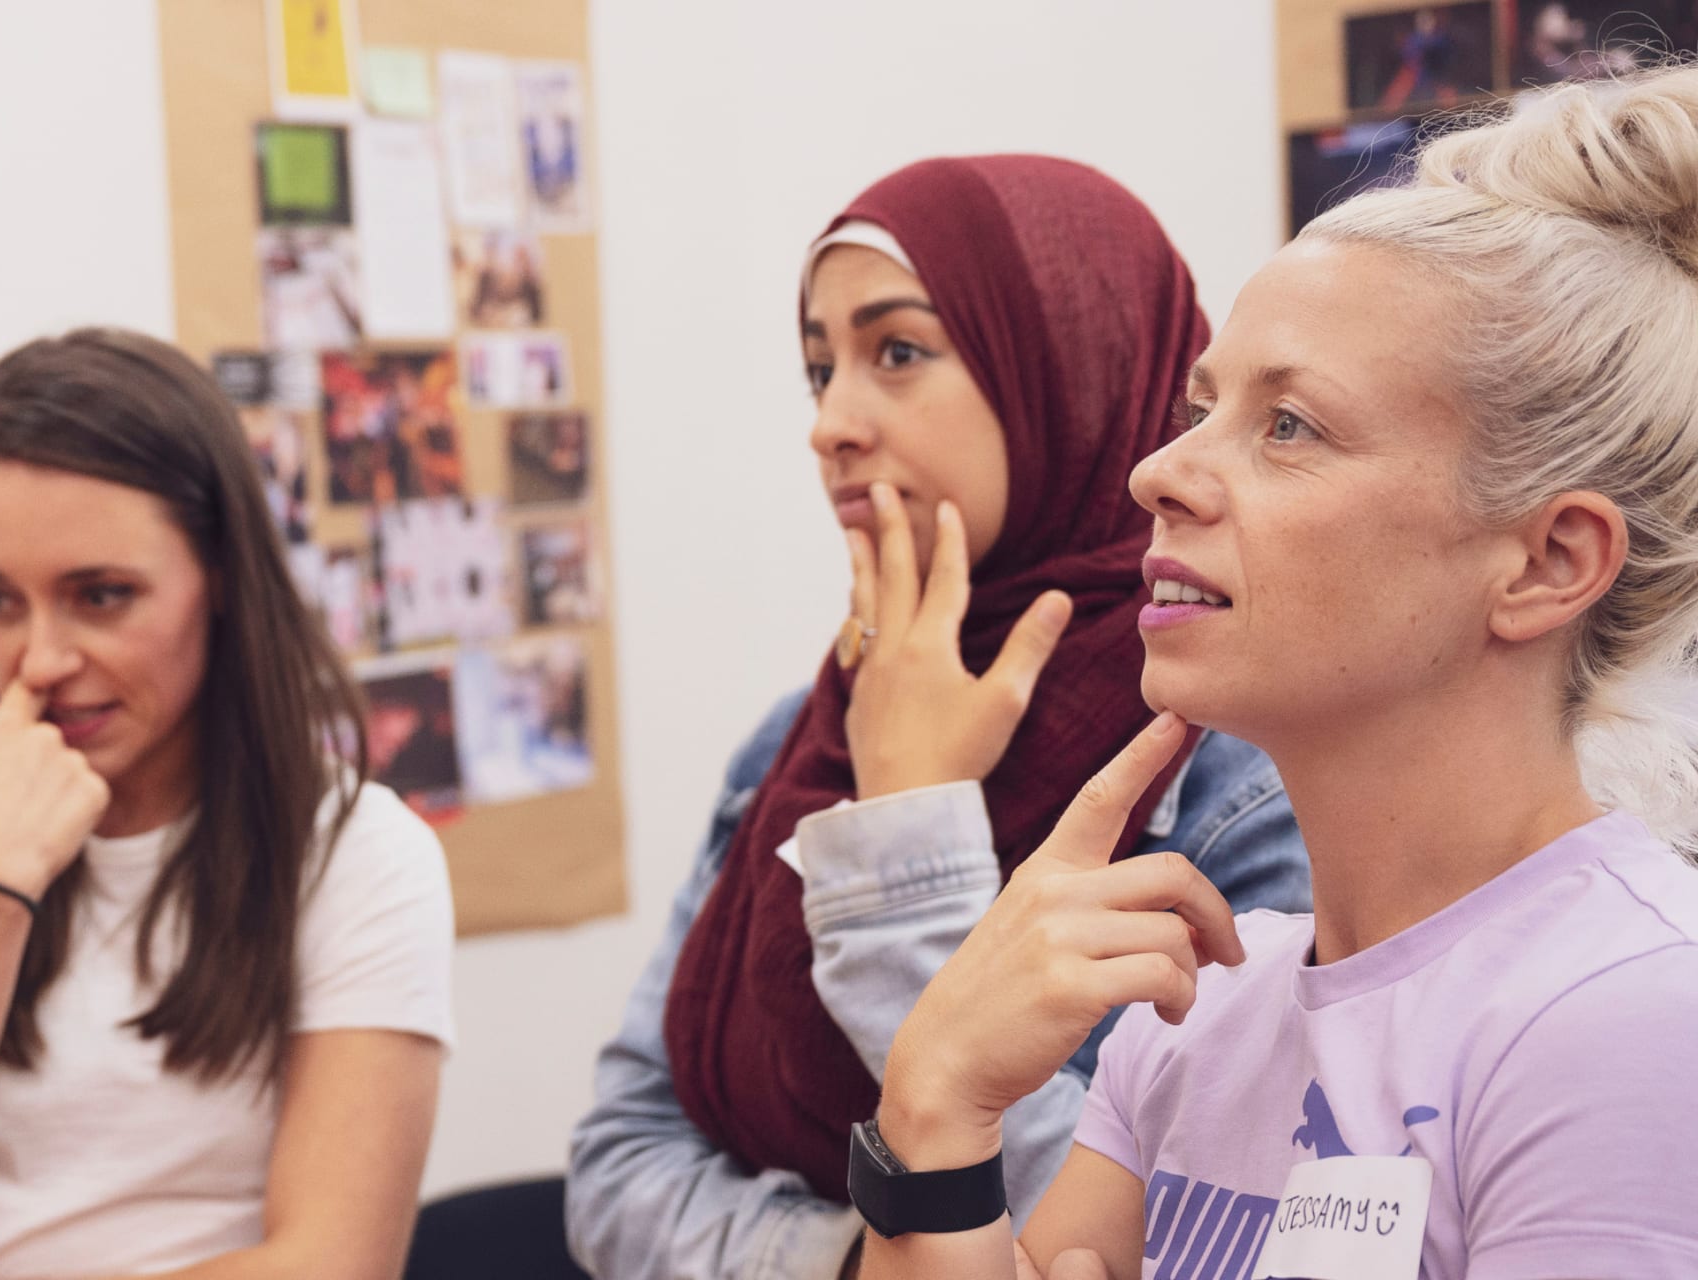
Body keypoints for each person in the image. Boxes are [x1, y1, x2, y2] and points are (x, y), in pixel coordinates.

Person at [857, 66, 1698, 1280]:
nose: (1160, 472)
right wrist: (932, 1100)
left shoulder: (1628, 1014)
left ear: (1545, 559)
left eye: (1287, 426)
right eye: (1203, 407)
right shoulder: (1203, 1004)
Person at [565, 156, 1311, 1279]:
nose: (831, 423)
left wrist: (909, 831)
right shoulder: (797, 733)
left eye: (896, 352)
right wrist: (871, 1262)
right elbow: (617, 1164)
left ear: (1067, 366)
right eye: (818, 369)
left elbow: (1191, 1229)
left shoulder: (1236, 771)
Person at [0, 329, 455, 1278]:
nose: (41, 661)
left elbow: (333, 1264)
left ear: (217, 577)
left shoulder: (354, 855)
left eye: (101, 596)